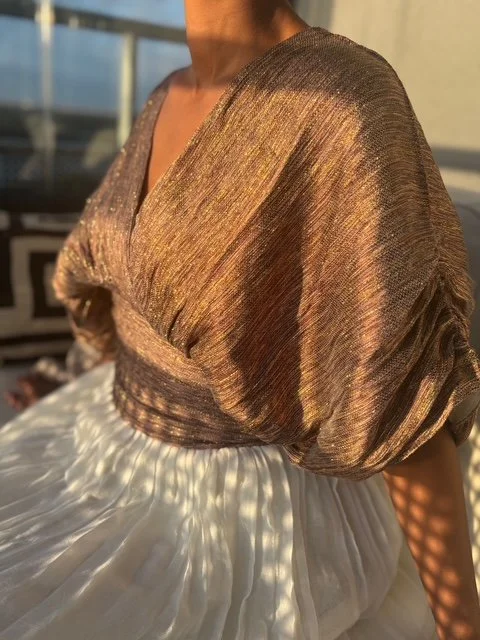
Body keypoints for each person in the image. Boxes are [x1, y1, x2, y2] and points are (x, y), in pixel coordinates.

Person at [2, 1, 480, 638]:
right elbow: (130, 291)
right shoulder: (166, 93)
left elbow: (400, 393)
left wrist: (460, 626)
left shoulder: (342, 99)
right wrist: (80, 373)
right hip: (108, 441)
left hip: (238, 519)